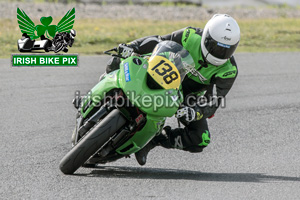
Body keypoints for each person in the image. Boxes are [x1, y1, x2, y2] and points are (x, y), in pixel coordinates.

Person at [105, 14, 240, 165]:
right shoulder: (190, 35)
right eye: (215, 46)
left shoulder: (229, 70)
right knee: (116, 61)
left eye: (226, 50)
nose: (219, 53)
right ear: (206, 37)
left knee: (201, 139)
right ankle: (99, 95)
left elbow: (213, 101)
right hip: (160, 71)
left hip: (186, 97)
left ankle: (154, 140)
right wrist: (132, 46)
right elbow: (159, 40)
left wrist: (196, 111)